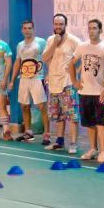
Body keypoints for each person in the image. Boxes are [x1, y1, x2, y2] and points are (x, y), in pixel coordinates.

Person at [74, 19, 104, 164]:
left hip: (100, 92)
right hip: (85, 92)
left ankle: (103, 152)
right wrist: (74, 81)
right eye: (90, 28)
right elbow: (71, 64)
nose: (92, 31)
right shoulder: (82, 46)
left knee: (101, 122)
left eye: (94, 28)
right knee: (90, 122)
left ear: (100, 30)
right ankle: (93, 149)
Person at [42, 13, 81, 154]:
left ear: (66, 25)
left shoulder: (74, 40)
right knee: (57, 115)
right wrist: (54, 43)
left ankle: (73, 143)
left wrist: (75, 75)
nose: (58, 27)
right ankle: (59, 141)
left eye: (61, 24)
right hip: (53, 82)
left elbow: (83, 57)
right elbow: (45, 58)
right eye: (56, 24)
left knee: (71, 115)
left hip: (68, 83)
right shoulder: (50, 40)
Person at [10, 20, 50, 143]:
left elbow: (48, 57)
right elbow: (18, 62)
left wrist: (48, 74)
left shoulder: (41, 42)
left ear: (33, 29)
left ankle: (47, 133)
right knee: (24, 106)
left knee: (41, 106)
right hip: (23, 79)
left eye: (29, 28)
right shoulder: (20, 45)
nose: (27, 30)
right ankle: (28, 132)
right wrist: (12, 80)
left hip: (38, 78)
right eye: (25, 28)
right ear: (22, 30)